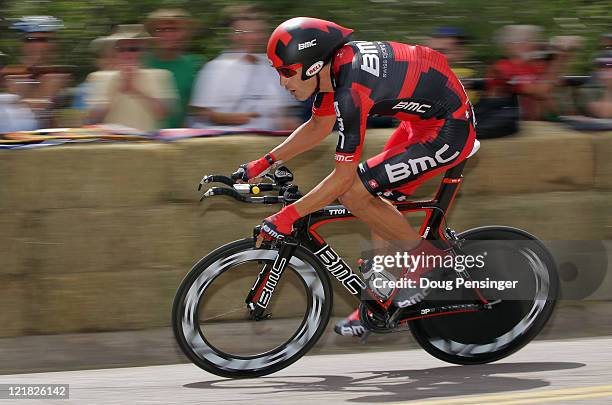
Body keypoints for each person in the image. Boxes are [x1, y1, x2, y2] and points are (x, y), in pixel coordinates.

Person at [231, 17, 476, 337]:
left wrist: (286, 216)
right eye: (277, 71)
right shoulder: (333, 70)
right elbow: (318, 127)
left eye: (286, 71)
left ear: (312, 65)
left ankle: (428, 261)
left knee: (355, 192)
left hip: (449, 130)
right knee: (373, 198)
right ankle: (379, 298)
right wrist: (262, 163)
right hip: (421, 123)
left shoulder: (351, 89)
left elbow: (343, 179)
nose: (282, 82)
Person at [190, 5, 300, 131]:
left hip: (270, 141)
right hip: (226, 140)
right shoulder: (214, 68)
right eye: (244, 33)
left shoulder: (276, 68)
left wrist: (289, 123)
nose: (252, 37)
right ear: (233, 35)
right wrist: (229, 118)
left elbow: (285, 112)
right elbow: (202, 113)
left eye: (258, 32)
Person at [84, 25, 178, 132]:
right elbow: (93, 118)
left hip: (149, 143)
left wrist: (135, 90)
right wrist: (116, 89)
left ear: (143, 51)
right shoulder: (98, 77)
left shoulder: (161, 75)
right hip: (112, 143)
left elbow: (163, 114)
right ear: (113, 51)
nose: (127, 54)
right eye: (121, 49)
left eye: (133, 49)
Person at [2, 16, 72, 128]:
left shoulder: (59, 75)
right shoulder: (12, 75)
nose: (37, 45)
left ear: (53, 44)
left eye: (43, 40)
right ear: (23, 45)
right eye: (29, 40)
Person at [143, 8, 204, 128]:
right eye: (161, 30)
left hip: (176, 137)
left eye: (174, 29)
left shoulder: (195, 63)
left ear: (186, 33)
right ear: (152, 34)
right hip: (140, 136)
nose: (168, 34)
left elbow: (197, 109)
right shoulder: (139, 62)